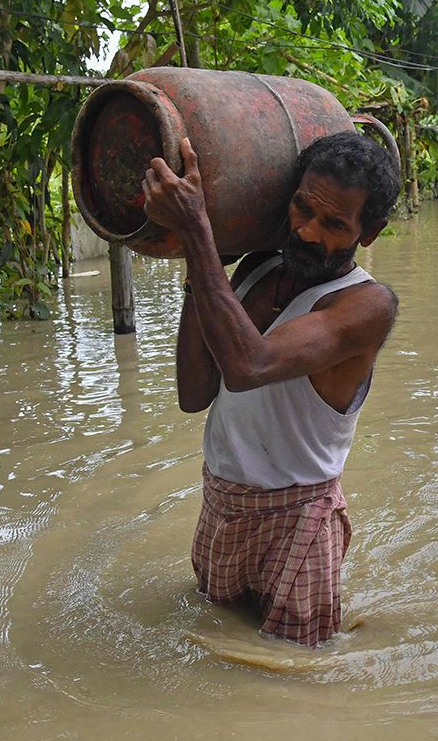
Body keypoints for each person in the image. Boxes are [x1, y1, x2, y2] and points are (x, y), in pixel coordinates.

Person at [140, 130, 400, 647]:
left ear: (367, 235)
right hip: (222, 503)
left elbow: (247, 365)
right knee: (213, 650)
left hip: (299, 518)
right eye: (302, 208)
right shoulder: (257, 267)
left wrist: (198, 233)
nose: (306, 232)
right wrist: (200, 259)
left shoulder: (366, 306)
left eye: (334, 224)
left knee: (295, 681)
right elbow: (194, 394)